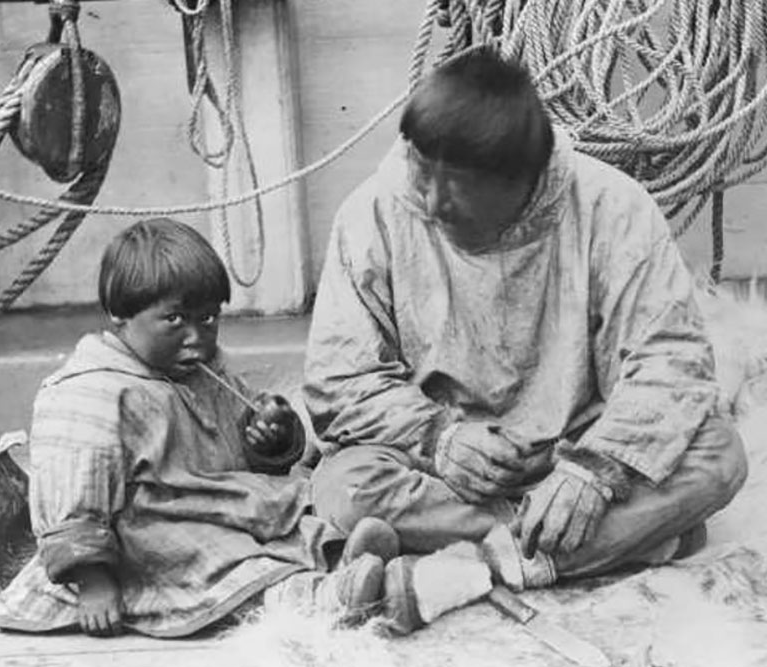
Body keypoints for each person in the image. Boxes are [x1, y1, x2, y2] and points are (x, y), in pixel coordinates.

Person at [303, 47, 749, 633]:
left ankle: (466, 562)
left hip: (584, 454)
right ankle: (616, 542)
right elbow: (340, 380)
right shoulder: (373, 212)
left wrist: (597, 467)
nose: (434, 203)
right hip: (442, 469)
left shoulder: (611, 206)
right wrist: (439, 435)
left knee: (719, 454)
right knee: (344, 484)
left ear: (524, 180)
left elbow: (670, 359)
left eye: (457, 185)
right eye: (422, 171)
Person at [0, 217, 399, 638]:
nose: (195, 336)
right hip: (147, 532)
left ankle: (344, 554)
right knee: (221, 560)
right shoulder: (90, 394)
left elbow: (239, 434)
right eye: (174, 320)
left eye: (208, 318)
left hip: (216, 499)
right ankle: (324, 596)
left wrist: (269, 439)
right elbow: (71, 501)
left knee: (298, 507)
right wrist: (93, 580)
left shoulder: (200, 367)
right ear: (120, 314)